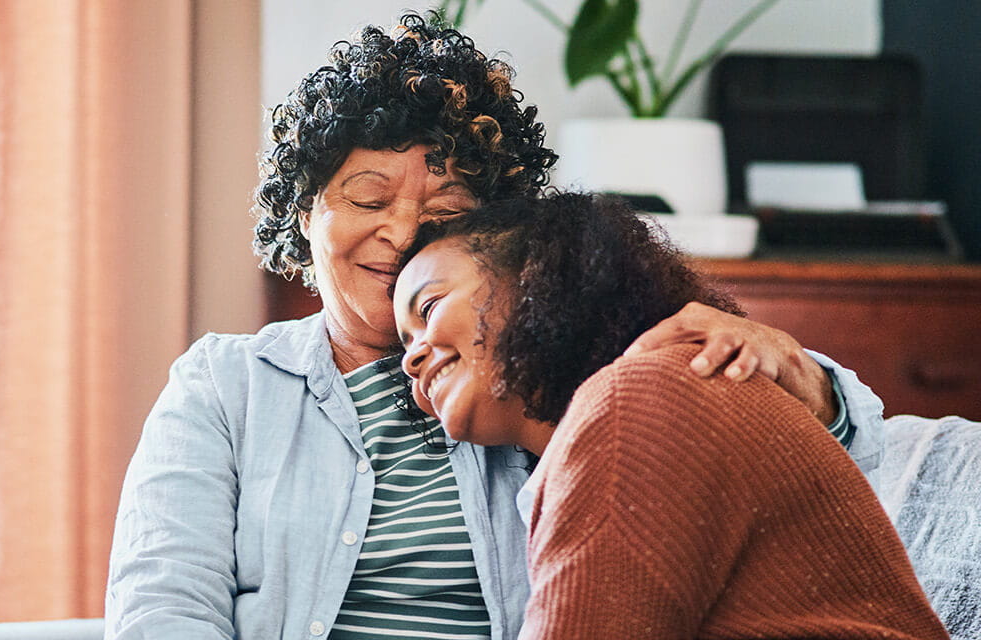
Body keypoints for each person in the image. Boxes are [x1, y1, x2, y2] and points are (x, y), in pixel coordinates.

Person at [105, 14, 881, 639]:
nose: (402, 231)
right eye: (370, 200)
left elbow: (785, 457)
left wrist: (802, 378)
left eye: (444, 215)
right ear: (305, 213)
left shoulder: (548, 365)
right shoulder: (226, 387)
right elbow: (162, 607)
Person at [392, 193, 947, 639]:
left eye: (429, 307)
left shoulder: (633, 404)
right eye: (404, 344)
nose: (413, 358)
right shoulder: (637, 400)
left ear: (536, 276)